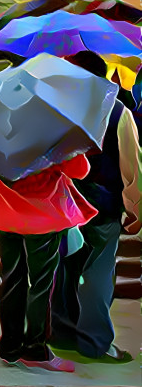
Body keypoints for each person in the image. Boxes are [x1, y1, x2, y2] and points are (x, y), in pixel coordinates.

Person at [49, 51, 140, 363]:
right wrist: (136, 209)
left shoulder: (55, 110)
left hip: (63, 204)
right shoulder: (118, 113)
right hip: (103, 205)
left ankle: (60, 334)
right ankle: (94, 341)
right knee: (98, 273)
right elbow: (132, 167)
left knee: (64, 269)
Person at [0, 150, 96, 372]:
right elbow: (80, 170)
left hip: (5, 213)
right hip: (41, 216)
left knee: (11, 279)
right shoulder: (52, 131)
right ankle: (34, 348)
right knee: (40, 284)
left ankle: (9, 346)